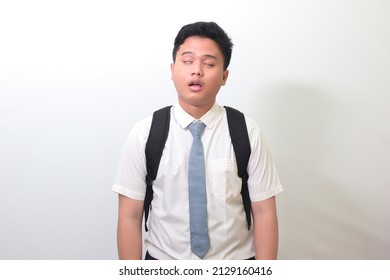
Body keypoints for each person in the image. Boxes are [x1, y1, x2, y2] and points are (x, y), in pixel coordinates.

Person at [112, 21, 283, 260]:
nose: (197, 71)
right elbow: (130, 216)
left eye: (209, 63)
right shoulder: (145, 133)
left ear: (224, 76)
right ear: (172, 70)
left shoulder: (247, 132)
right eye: (188, 61)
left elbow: (264, 213)